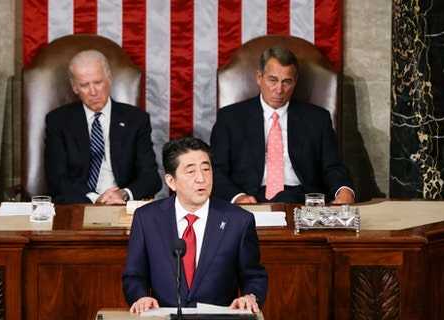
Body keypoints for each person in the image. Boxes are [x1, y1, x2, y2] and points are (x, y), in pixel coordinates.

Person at [123, 136, 268, 314]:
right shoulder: (147, 218)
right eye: (191, 172)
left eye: (206, 169)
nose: (201, 178)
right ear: (171, 181)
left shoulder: (238, 221)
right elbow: (134, 276)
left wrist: (250, 296)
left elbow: (254, 276)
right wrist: (140, 297)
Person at [210, 46, 355, 205]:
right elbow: (217, 171)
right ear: (259, 77)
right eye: (273, 80)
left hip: (304, 199)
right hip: (252, 198)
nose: (279, 90)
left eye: (286, 82)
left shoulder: (318, 118)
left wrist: (344, 189)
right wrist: (237, 197)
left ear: (295, 81)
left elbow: (332, 167)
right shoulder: (230, 118)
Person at [44, 50, 162, 204]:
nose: (93, 92)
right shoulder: (58, 121)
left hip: (121, 205)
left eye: (98, 83)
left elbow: (151, 177)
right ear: (74, 87)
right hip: (78, 204)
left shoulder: (136, 119)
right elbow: (57, 179)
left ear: (109, 79)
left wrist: (124, 194)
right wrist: (95, 198)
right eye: (84, 85)